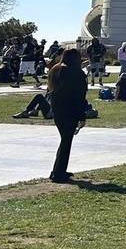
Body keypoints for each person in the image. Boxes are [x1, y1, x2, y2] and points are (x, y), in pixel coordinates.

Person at [48, 48, 88, 183]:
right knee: (66, 141)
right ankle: (58, 173)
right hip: (70, 110)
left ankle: (58, 170)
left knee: (65, 140)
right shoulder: (77, 73)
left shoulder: (55, 70)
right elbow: (79, 97)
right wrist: (81, 116)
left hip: (58, 110)